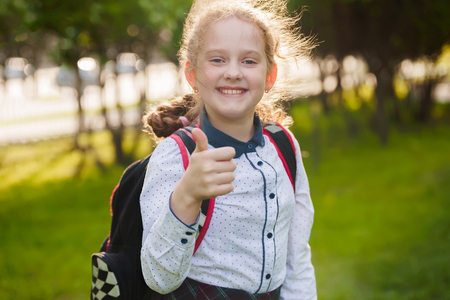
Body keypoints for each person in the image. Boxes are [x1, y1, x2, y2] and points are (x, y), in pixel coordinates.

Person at [140, 0, 317, 298]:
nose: (233, 72)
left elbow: (296, 258)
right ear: (193, 74)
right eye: (217, 60)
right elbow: (159, 277)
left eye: (249, 61)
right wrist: (187, 195)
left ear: (269, 75)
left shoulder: (284, 146)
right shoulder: (175, 157)